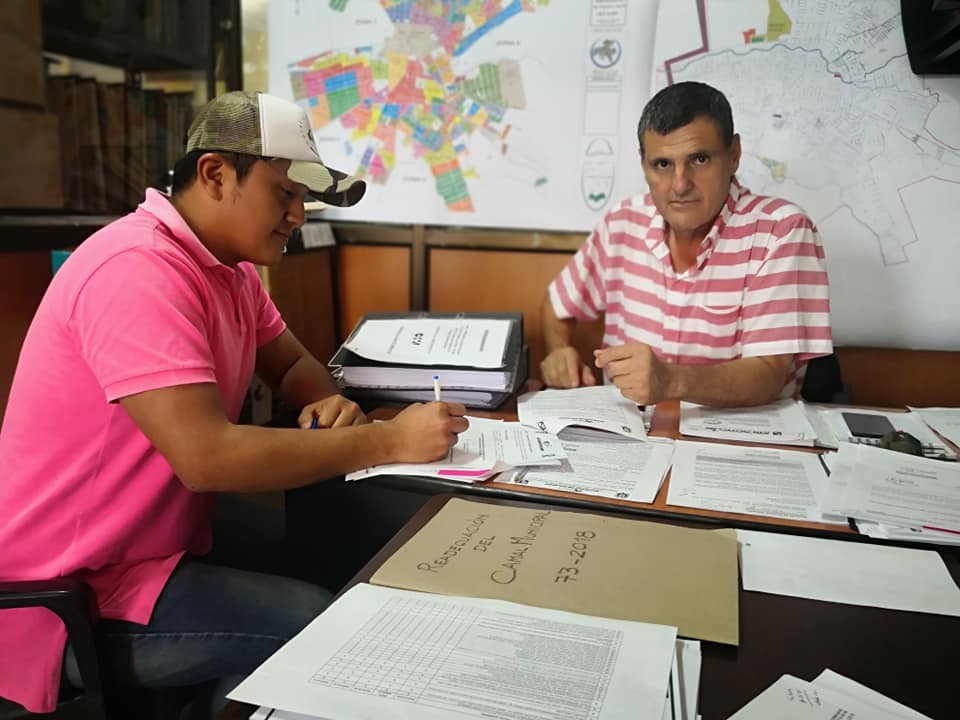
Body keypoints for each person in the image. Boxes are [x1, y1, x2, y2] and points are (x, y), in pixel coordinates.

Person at [0, 91, 469, 716]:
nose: (298, 214)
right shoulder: (135, 270)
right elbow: (208, 459)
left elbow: (295, 366)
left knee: (336, 553)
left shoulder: (231, 272)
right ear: (216, 174)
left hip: (154, 547)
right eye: (284, 193)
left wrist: (326, 403)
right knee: (315, 624)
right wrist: (388, 440)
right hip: (67, 594)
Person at [541, 81, 832, 407]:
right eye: (662, 164)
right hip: (627, 430)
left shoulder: (781, 230)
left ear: (734, 155)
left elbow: (769, 374)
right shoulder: (622, 222)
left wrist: (669, 380)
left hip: (743, 435)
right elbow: (556, 305)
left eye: (700, 159)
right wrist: (559, 350)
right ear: (643, 164)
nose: (680, 185)